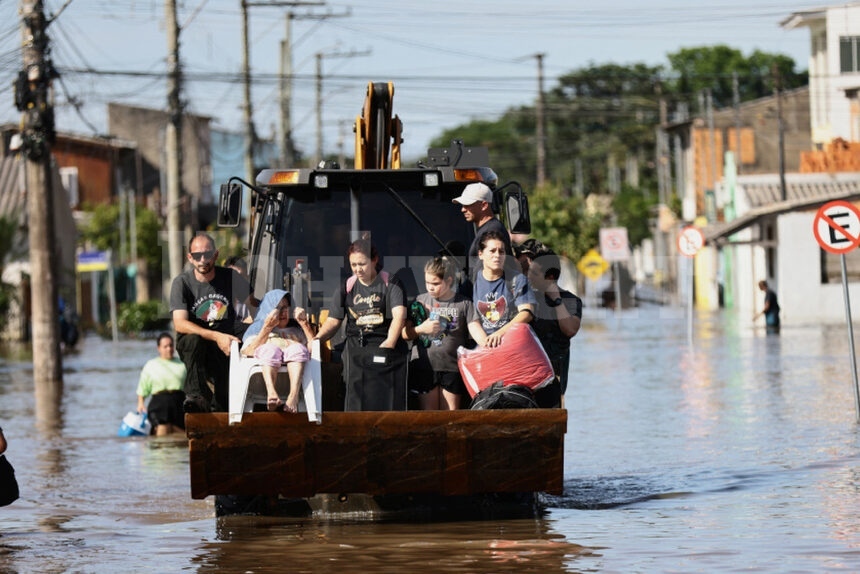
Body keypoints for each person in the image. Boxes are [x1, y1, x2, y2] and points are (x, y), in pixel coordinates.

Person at [314, 238, 408, 411]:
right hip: (356, 347)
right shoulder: (347, 287)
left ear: (374, 260)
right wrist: (317, 339)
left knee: (385, 398)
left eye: (362, 264)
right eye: (353, 264)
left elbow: (399, 315)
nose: (358, 269)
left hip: (384, 344)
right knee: (354, 397)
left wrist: (389, 343)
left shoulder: (391, 282)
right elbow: (334, 320)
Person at [170, 233, 255, 413]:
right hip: (198, 343)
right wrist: (217, 336)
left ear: (216, 255)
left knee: (224, 402)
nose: (203, 260)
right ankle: (196, 396)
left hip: (228, 339)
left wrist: (270, 327)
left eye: (207, 255)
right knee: (192, 339)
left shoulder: (230, 276)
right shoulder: (182, 283)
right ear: (190, 258)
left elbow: (255, 307)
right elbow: (179, 323)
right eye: (197, 255)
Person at [402, 256, 477, 410]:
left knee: (449, 416)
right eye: (427, 283)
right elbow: (404, 333)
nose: (430, 287)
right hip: (424, 367)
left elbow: (476, 331)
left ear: (449, 280)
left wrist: (490, 343)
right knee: (428, 417)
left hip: (452, 368)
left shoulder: (464, 303)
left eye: (435, 283)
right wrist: (421, 329)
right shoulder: (419, 301)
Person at [525, 244, 583, 406]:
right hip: (527, 375)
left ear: (550, 277)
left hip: (555, 378)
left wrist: (557, 300)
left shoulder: (570, 300)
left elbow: (570, 329)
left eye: (534, 273)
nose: (529, 276)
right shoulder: (527, 299)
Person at [241, 289, 315, 413]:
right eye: (277, 308)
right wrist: (267, 328)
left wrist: (304, 324)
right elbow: (248, 352)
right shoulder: (257, 330)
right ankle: (272, 393)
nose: (283, 312)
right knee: (269, 350)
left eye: (286, 308)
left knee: (297, 349)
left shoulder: (296, 330)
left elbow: (314, 351)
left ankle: (293, 396)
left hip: (296, 383)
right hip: (259, 384)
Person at [468, 230, 536, 348]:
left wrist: (499, 333)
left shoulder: (517, 279)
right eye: (492, 251)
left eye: (501, 251)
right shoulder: (470, 283)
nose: (497, 255)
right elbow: (471, 320)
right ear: (480, 254)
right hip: (485, 349)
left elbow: (527, 313)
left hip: (514, 347)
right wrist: (486, 344)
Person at [452, 182, 513, 272]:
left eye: (468, 204)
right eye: (463, 205)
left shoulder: (492, 231)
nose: (463, 209)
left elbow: (493, 274)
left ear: (484, 205)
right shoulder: (488, 229)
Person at [135, 332, 187, 435]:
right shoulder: (151, 365)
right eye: (165, 346)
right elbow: (143, 387)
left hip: (178, 402)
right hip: (159, 403)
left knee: (181, 435)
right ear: (158, 348)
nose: (169, 349)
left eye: (171, 345)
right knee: (162, 429)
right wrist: (140, 403)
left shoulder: (182, 364)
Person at [224, 255, 254, 323]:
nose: (238, 280)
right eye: (234, 277)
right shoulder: (219, 304)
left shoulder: (253, 302)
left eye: (241, 276)